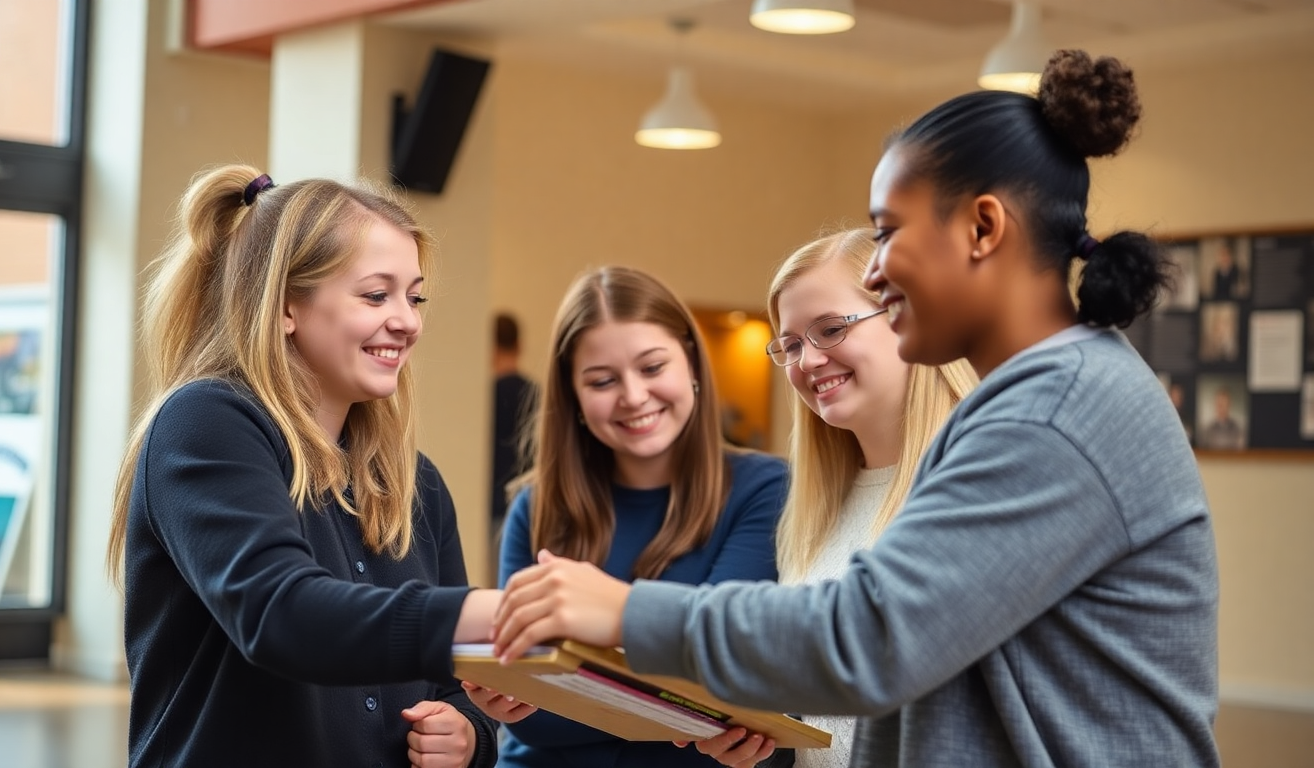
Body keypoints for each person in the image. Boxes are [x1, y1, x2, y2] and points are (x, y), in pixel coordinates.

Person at [492, 49, 1221, 767]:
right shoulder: (1030, 400)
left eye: (887, 232)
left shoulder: (1057, 409)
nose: (876, 268)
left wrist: (623, 611)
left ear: (983, 228)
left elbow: (872, 637)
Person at [105, 165, 501, 768]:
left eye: (414, 297)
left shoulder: (417, 484)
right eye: (376, 295)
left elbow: (453, 686)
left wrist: (469, 734)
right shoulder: (205, 425)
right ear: (287, 305)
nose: (408, 320)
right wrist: (488, 617)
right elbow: (283, 615)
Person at [464, 265, 789, 768]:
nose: (633, 396)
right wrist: (510, 700)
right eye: (602, 380)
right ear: (573, 395)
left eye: (653, 367)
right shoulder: (536, 506)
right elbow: (535, 717)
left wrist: (574, 677)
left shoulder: (763, 490)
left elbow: (715, 683)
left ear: (693, 365)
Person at [689, 229, 977, 768]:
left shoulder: (980, 485)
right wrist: (759, 737)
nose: (809, 360)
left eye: (830, 329)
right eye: (792, 344)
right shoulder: (812, 509)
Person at [491, 312, 539, 559]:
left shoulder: (489, 397)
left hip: (495, 504)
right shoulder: (535, 393)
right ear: (519, 346)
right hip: (531, 500)